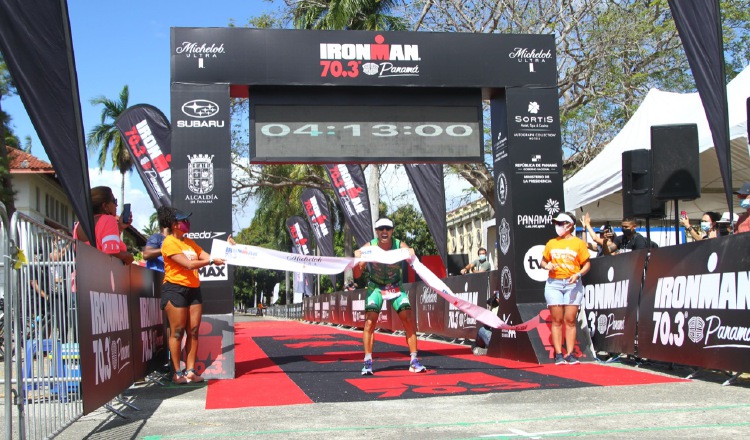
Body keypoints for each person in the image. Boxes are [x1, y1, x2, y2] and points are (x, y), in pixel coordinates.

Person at [158, 206, 225, 384]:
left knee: (193, 331)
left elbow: (210, 256)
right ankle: (177, 373)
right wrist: (210, 261)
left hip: (193, 289)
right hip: (174, 289)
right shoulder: (169, 243)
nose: (188, 223)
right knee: (177, 331)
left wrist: (229, 248)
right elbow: (188, 265)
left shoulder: (190, 242)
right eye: (184, 220)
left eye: (188, 220)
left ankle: (190, 371)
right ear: (174, 224)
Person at [353, 217, 426, 375]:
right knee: (370, 321)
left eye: (388, 228)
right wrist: (360, 261)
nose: (384, 232)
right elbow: (357, 275)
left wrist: (411, 254)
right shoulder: (369, 246)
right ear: (376, 232)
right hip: (376, 286)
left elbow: (413, 259)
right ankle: (367, 362)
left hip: (395, 285)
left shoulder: (399, 245)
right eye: (381, 229)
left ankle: (414, 360)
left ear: (392, 231)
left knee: (407, 317)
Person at [540, 212, 590, 365]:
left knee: (570, 320)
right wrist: (546, 265)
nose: (558, 226)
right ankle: (558, 354)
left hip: (572, 284)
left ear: (570, 225)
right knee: (557, 320)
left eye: (561, 223)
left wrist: (578, 274)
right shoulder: (551, 243)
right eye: (556, 223)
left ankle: (570, 354)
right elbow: (543, 262)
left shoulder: (578, 243)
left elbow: (586, 264)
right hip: (554, 283)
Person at [73, 186, 134, 265]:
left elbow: (100, 242)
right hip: (102, 275)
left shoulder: (79, 225)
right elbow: (111, 251)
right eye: (114, 201)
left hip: (82, 274)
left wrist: (120, 227)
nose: (117, 205)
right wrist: (127, 256)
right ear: (105, 206)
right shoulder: (108, 220)